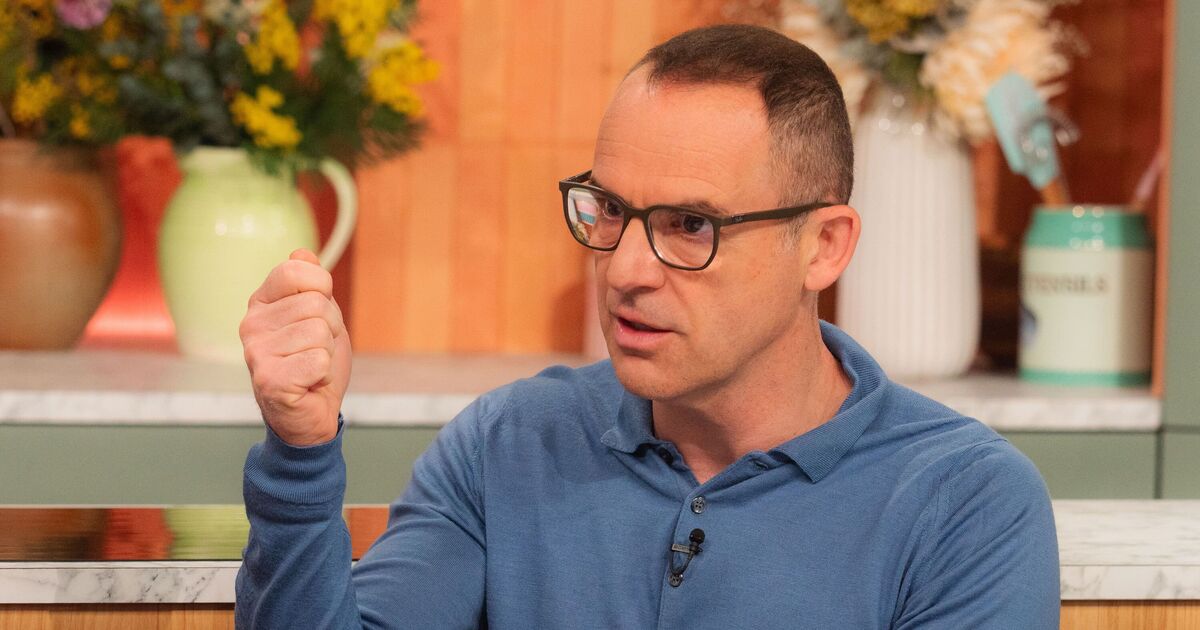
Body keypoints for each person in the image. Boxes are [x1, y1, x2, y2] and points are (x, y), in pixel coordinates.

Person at [235, 24, 1059, 629]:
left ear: (824, 246)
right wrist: (301, 453)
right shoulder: (507, 445)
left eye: (690, 225)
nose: (625, 268)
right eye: (610, 209)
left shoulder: (964, 503)